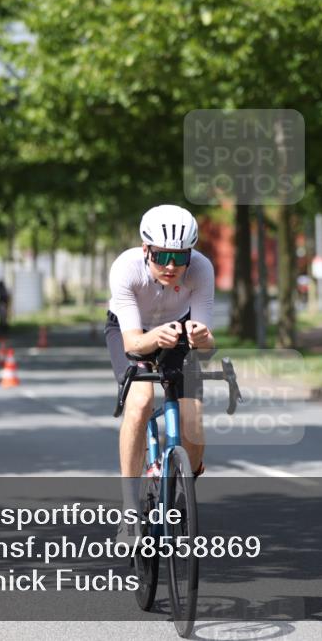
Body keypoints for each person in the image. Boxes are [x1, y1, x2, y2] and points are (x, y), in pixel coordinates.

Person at [105, 205, 215, 541]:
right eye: (162, 256)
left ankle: (183, 493)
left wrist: (202, 338)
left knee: (192, 417)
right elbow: (134, 343)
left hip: (179, 330)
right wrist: (156, 338)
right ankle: (129, 514)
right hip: (130, 332)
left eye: (179, 257)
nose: (170, 266)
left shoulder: (201, 269)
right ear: (145, 250)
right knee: (140, 401)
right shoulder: (125, 269)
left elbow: (208, 348)